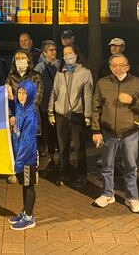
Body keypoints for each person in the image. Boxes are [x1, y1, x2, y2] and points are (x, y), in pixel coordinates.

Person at [91, 54, 139, 213]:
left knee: (130, 166)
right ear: (110, 67)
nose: (118, 68)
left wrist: (132, 101)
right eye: (114, 65)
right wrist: (96, 130)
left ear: (128, 67)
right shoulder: (102, 83)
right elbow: (95, 108)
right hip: (108, 132)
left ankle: (132, 198)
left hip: (130, 133)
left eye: (121, 65)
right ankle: (107, 194)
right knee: (107, 165)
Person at [47, 44, 93, 187]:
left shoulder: (85, 72)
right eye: (65, 54)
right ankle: (64, 173)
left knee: (79, 147)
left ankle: (81, 174)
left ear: (76, 55)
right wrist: (50, 111)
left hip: (76, 114)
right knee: (62, 147)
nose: (67, 56)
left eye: (70, 53)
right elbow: (54, 92)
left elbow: (88, 95)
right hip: (60, 114)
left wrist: (87, 115)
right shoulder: (60, 72)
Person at [5, 49, 43, 184]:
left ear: (28, 60)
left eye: (23, 57)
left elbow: (37, 98)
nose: (20, 60)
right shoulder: (11, 77)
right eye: (17, 58)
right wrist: (10, 114)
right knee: (16, 144)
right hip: (15, 118)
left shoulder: (36, 76)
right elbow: (7, 100)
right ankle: (17, 171)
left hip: (30, 117)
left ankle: (33, 171)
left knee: (31, 146)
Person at [8, 80, 39, 231]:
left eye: (24, 93)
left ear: (31, 94)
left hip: (27, 159)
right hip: (20, 156)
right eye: (19, 92)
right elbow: (15, 110)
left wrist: (18, 163)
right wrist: (10, 98)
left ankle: (29, 217)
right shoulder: (21, 108)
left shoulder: (30, 114)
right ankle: (25, 211)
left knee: (29, 186)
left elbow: (27, 143)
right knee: (24, 186)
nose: (21, 95)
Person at [33, 40, 60, 170]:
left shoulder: (60, 65)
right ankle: (51, 157)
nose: (53, 52)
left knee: (59, 131)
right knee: (48, 130)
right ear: (44, 53)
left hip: (59, 104)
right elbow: (35, 84)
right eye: (50, 50)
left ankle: (60, 157)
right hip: (45, 104)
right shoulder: (40, 67)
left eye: (54, 49)